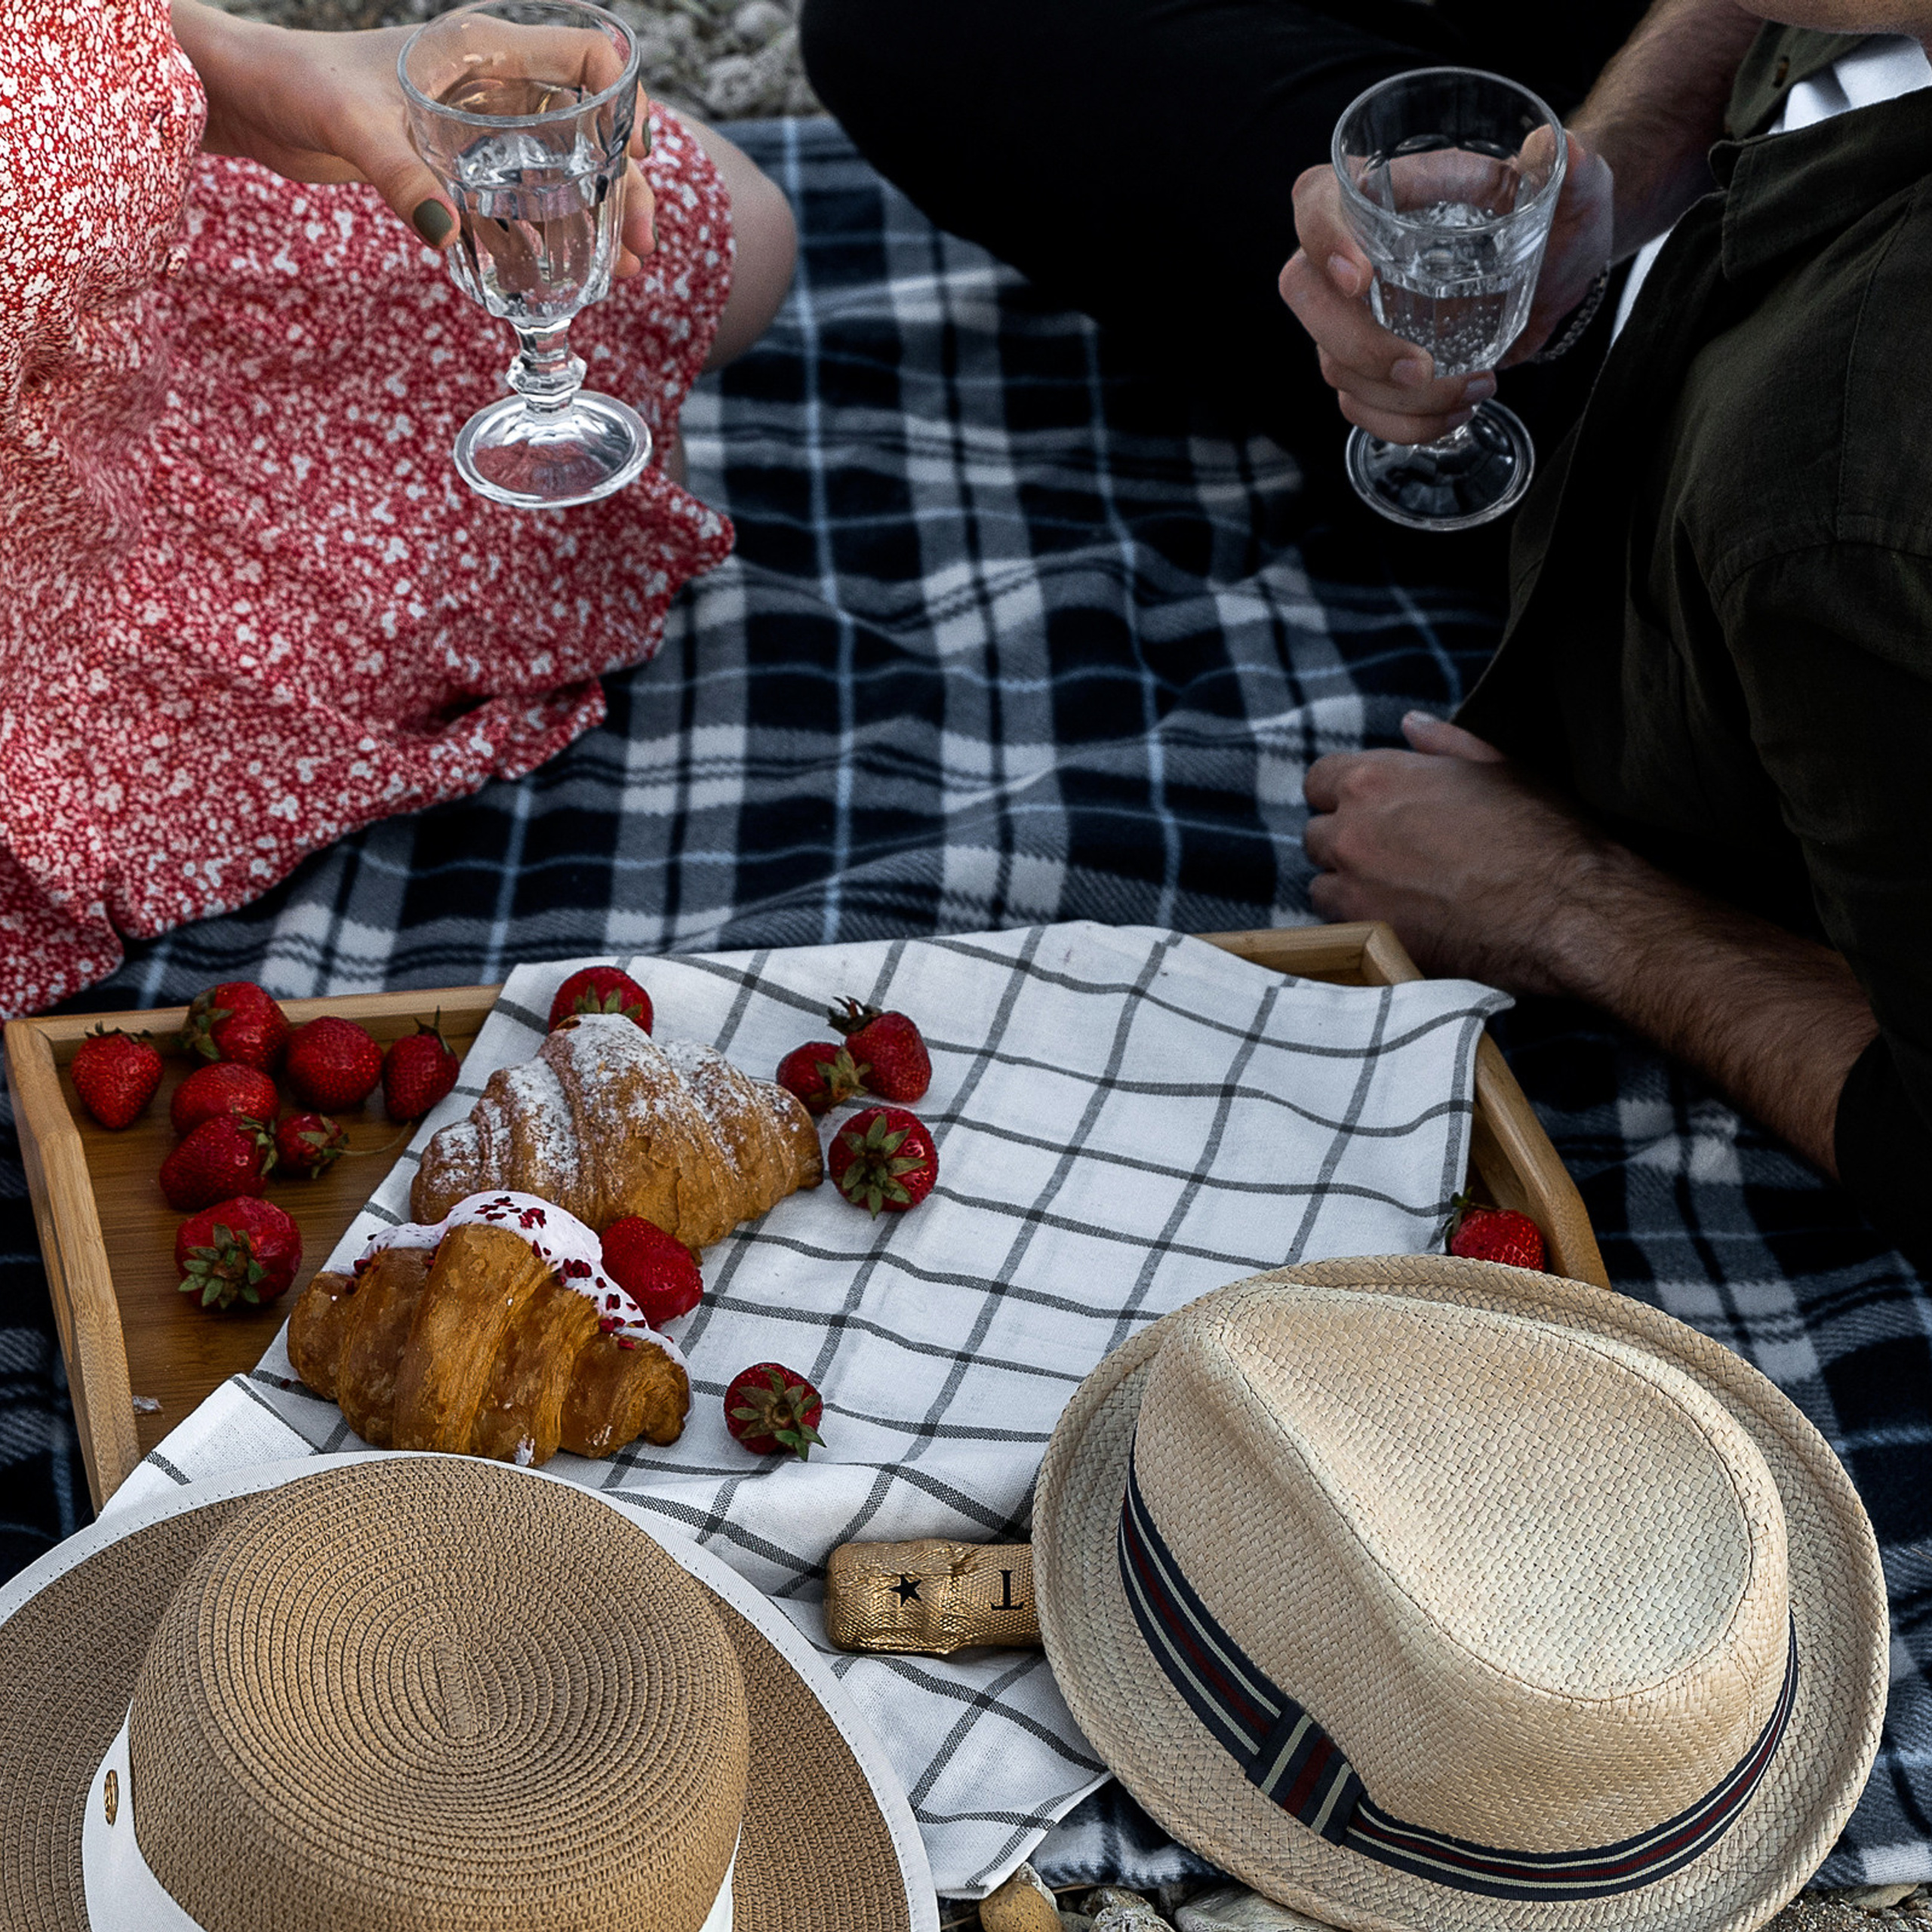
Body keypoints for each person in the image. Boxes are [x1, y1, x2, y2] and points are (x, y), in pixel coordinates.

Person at [1287, 0, 1932, 1266]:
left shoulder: (1850, 513)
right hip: (1658, 298)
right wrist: (1605, 182)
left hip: (1649, 510)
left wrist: (1566, 904)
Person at [0, 0, 798, 1019]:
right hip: (52, 594)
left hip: (128, 295)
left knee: (729, 226)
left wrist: (238, 72)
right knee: (575, 513)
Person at [795, 0, 1668, 448]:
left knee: (893, 24)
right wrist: (1612, 164)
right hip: (1700, 141)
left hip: (1651, 382)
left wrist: (1543, 808)